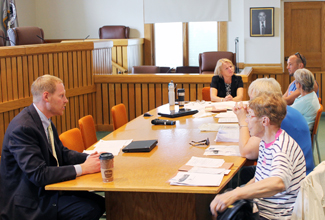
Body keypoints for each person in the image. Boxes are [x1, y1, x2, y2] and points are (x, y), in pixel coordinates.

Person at [0, 75, 105, 220]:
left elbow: (61, 153)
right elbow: (39, 175)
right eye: (61, 96)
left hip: (48, 190)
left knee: (101, 202)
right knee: (89, 209)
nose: (66, 100)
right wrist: (84, 168)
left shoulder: (44, 120)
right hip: (29, 202)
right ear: (46, 97)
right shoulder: (23, 128)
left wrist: (91, 158)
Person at [210, 93, 306, 219]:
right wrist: (236, 192)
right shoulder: (265, 142)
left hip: (274, 216)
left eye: (250, 115)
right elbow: (260, 178)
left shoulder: (281, 147)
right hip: (263, 207)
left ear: (264, 121)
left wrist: (236, 194)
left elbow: (278, 183)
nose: (247, 120)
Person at [234, 78, 314, 182]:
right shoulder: (285, 111)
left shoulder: (275, 119)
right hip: (295, 169)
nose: (250, 105)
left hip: (296, 178)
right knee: (245, 173)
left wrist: (243, 121)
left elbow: (247, 152)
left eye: (253, 101)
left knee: (242, 175)